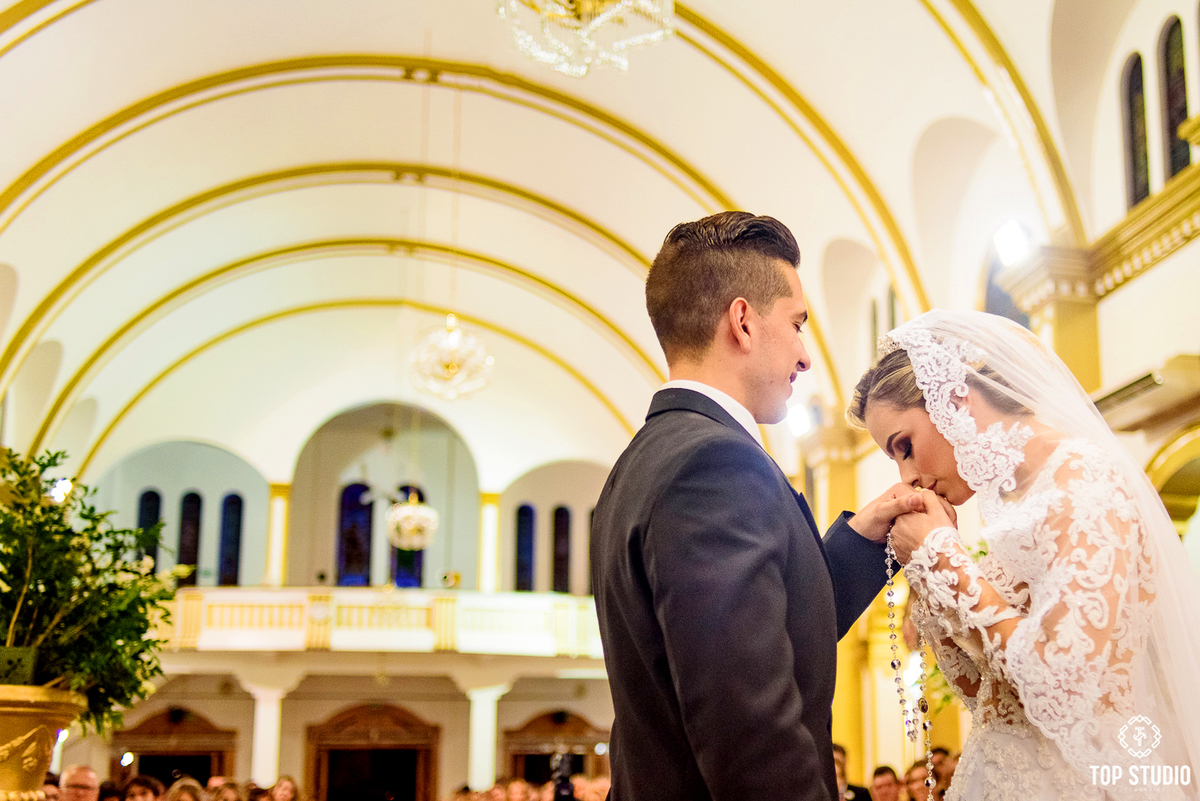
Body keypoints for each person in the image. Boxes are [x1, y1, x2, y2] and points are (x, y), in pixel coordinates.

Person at [592, 211, 930, 801]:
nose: (805, 356)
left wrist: (861, 542)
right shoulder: (713, 466)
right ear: (743, 322)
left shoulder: (648, 458)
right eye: (797, 324)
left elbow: (760, 627)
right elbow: (749, 729)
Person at [849, 309, 1200, 800]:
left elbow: (1063, 686)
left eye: (904, 445)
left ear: (954, 398)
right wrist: (930, 573)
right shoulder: (1013, 512)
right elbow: (984, 694)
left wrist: (942, 556)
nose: (906, 475)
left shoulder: (1085, 479)